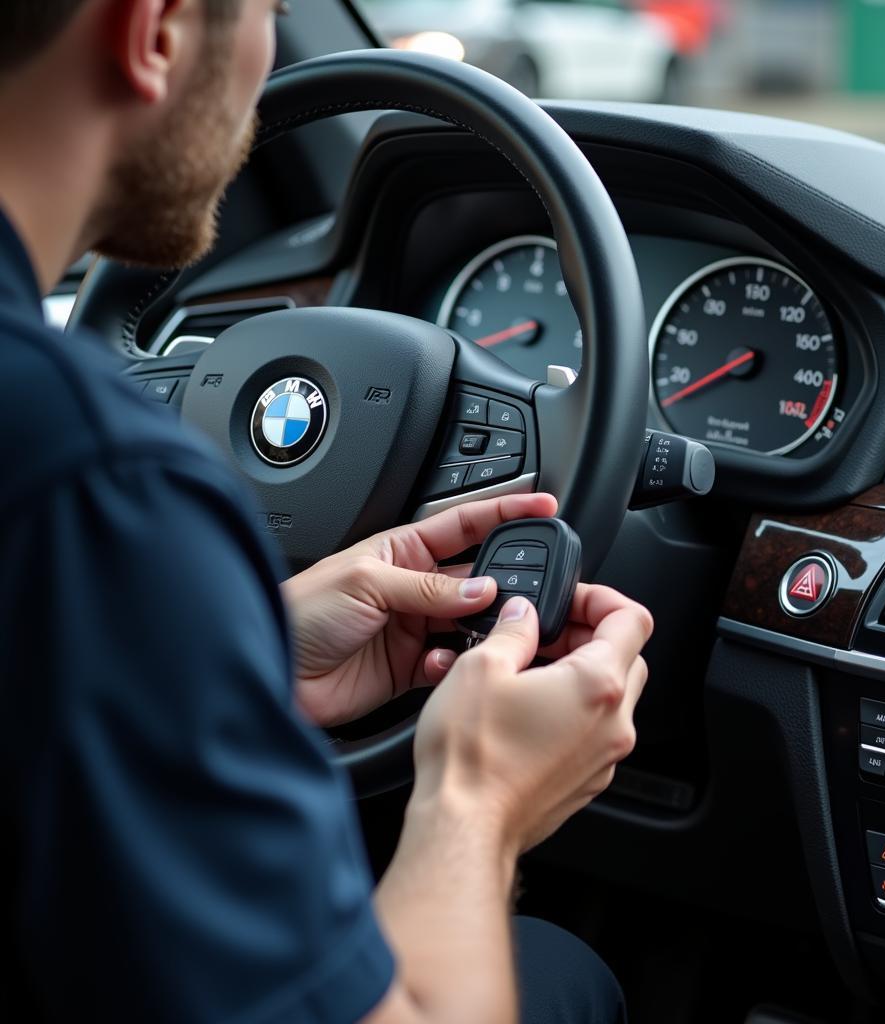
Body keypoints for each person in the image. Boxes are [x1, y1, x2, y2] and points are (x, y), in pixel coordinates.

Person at [0, 2, 654, 1022]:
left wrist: (238, 658)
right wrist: (475, 797)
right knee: (563, 971)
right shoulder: (96, 483)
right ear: (157, 30)